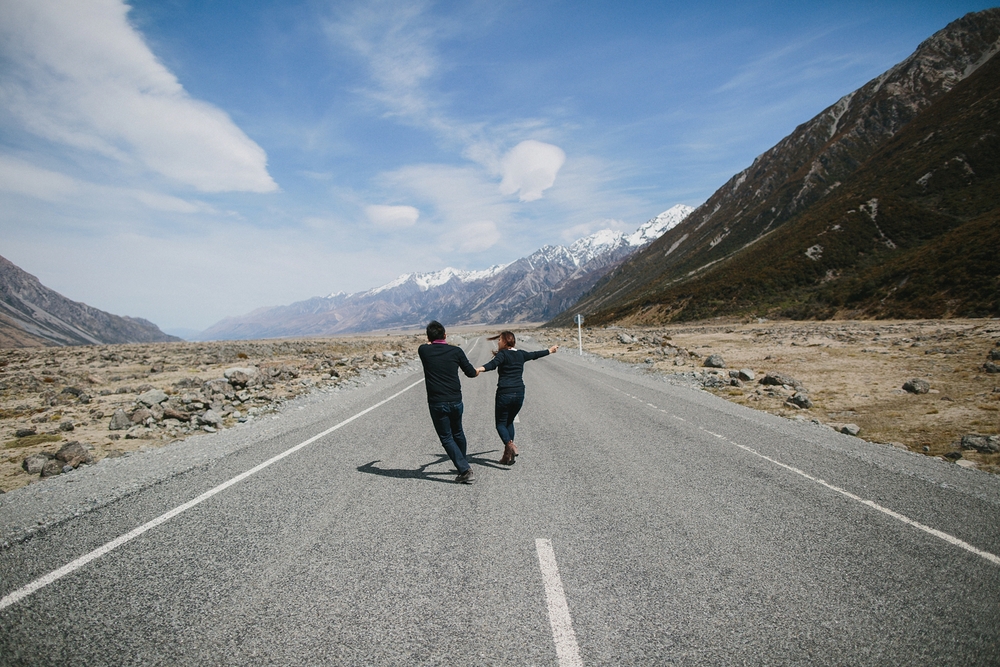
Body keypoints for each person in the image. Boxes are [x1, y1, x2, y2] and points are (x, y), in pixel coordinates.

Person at [476, 331, 558, 465]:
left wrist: (480, 369)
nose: (498, 342)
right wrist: (550, 350)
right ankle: (507, 456)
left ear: (504, 341)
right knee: (509, 422)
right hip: (519, 393)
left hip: (505, 393)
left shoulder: (503, 354)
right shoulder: (520, 354)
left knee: (500, 424)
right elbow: (535, 355)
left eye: (499, 340)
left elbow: (493, 364)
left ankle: (510, 445)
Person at [417, 321, 479, 484]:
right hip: (455, 400)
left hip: (437, 402)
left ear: (429, 338)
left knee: (446, 437)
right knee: (458, 432)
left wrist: (431, 339)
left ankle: (465, 469)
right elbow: (471, 373)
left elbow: (427, 344)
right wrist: (477, 371)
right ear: (445, 335)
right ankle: (462, 463)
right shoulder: (456, 351)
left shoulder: (424, 351)